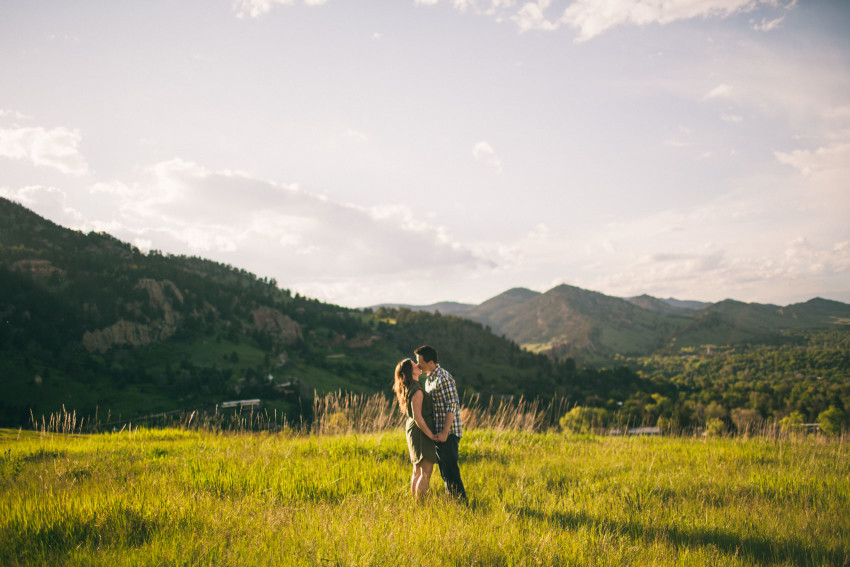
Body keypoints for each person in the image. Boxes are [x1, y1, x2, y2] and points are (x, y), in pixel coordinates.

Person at [414, 345, 467, 502]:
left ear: (431, 363)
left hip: (448, 433)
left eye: (420, 362)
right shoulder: (429, 379)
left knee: (450, 470)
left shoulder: (444, 377)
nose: (418, 365)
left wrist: (444, 432)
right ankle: (453, 500)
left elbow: (452, 405)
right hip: (438, 434)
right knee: (444, 470)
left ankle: (461, 503)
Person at [393, 358, 439, 500]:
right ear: (409, 371)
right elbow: (418, 417)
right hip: (420, 432)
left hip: (414, 430)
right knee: (426, 471)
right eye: (413, 365)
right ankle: (420, 504)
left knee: (417, 471)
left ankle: (415, 502)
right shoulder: (417, 390)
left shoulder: (410, 387)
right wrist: (431, 435)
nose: (417, 365)